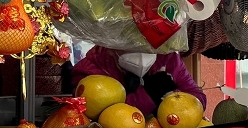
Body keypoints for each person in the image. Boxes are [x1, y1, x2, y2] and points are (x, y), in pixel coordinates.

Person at [73, 47, 206, 116]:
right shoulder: (89, 70)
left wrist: (172, 96)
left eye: (146, 44)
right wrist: (147, 95)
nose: (141, 52)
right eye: (130, 44)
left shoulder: (167, 58)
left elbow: (198, 99)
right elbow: (101, 118)